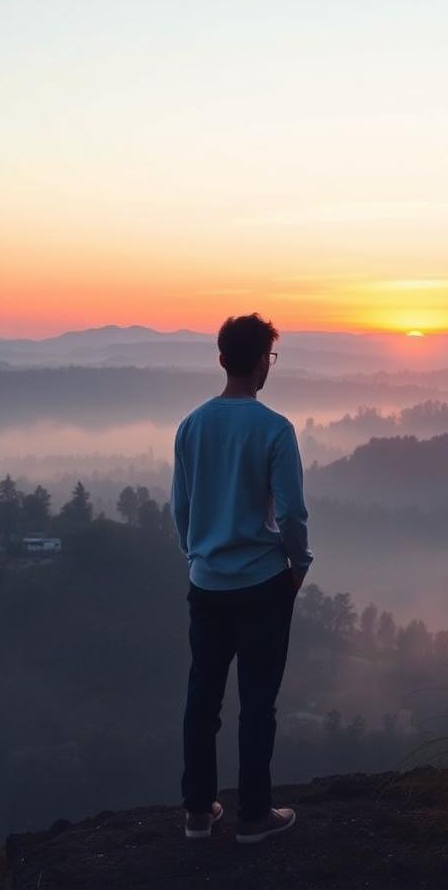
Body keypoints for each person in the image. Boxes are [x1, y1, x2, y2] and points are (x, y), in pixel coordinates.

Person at [171, 313, 313, 843]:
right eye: (269, 358)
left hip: (207, 584)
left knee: (202, 698)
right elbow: (293, 512)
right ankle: (254, 815)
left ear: (221, 358)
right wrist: (298, 565)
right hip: (261, 584)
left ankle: (197, 812)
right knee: (257, 702)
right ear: (261, 363)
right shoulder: (274, 428)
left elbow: (181, 508)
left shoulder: (192, 425)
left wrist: (197, 556)